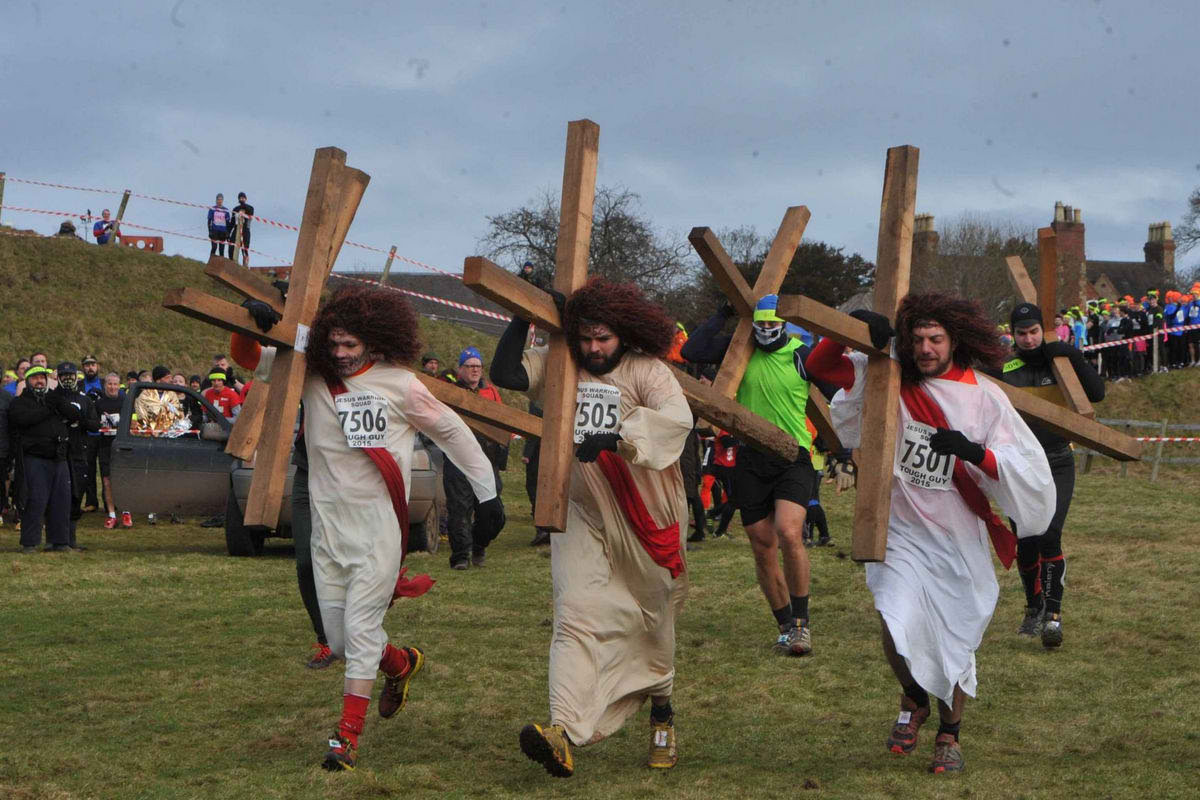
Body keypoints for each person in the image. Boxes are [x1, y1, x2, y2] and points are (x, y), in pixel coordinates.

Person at [245, 285, 504, 771]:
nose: (341, 355)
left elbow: (452, 431)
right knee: (341, 643)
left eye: (352, 345)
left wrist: (488, 494)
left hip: (379, 531)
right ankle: (401, 664)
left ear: (375, 341)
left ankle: (345, 739)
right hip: (328, 529)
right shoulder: (311, 376)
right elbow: (254, 360)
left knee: (362, 631)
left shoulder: (401, 384)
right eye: (335, 344)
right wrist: (251, 323)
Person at [806, 292, 1055, 775]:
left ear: (953, 340)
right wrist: (852, 324)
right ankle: (916, 695)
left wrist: (971, 451)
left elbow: (1023, 466)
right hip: (899, 525)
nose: (924, 348)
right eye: (916, 338)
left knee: (954, 636)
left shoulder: (983, 395)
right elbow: (821, 365)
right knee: (893, 616)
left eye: (935, 339)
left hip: (956, 533)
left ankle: (949, 734)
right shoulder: (887, 372)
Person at [490, 277, 691, 777]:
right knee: (574, 614)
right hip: (580, 509)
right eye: (585, 338)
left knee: (653, 619)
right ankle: (563, 729)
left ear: (623, 333)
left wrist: (617, 437)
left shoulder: (648, 371)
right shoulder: (561, 365)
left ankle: (661, 708)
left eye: (603, 338)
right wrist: (525, 314)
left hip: (648, 514)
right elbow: (507, 374)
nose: (594, 348)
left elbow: (676, 419)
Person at [681, 295, 831, 656]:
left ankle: (801, 623)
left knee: (789, 532)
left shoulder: (800, 354)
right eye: (760, 325)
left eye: (772, 326)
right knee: (762, 543)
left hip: (793, 456)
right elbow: (692, 351)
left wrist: (835, 445)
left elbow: (834, 392)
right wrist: (725, 310)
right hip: (751, 458)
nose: (765, 332)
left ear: (783, 325)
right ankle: (783, 626)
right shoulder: (740, 352)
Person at [997, 303, 1105, 648]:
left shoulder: (1059, 364)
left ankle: (1053, 617)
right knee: (1026, 540)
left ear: (1043, 331)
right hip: (1018, 464)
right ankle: (1033, 606)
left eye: (1033, 332)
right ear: (1012, 335)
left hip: (1057, 460)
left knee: (1050, 535)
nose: (1028, 340)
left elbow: (1097, 393)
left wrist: (1072, 355)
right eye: (1021, 333)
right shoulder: (1004, 368)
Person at [441, 346, 508, 569]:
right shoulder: (449, 391)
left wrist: (502, 452)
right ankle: (460, 555)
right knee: (459, 508)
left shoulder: (492, 392)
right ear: (460, 369)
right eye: (470, 366)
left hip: (487, 458)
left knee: (492, 511)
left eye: (478, 366)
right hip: (457, 456)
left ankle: (479, 544)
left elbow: (502, 423)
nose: (475, 370)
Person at [10, 366, 81, 552]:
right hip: (35, 458)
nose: (40, 381)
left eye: (42, 378)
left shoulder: (54, 398)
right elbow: (23, 420)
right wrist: (50, 409)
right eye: (35, 378)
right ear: (27, 381)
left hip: (59, 457)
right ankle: (30, 542)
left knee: (61, 501)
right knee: (35, 500)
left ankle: (59, 541)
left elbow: (74, 415)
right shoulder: (20, 402)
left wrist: (57, 401)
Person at [53, 362, 100, 550]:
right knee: (58, 496)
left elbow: (95, 425)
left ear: (76, 376)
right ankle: (57, 540)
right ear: (58, 377)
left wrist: (78, 420)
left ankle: (71, 540)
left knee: (76, 495)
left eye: (70, 375)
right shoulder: (52, 398)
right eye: (63, 375)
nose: (67, 378)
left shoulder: (84, 400)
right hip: (58, 453)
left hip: (79, 453)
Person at [94, 373, 131, 529]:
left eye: (115, 384)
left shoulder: (126, 402)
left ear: (119, 385)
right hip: (105, 446)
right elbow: (94, 423)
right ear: (105, 385)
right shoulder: (99, 404)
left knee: (123, 480)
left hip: (122, 446)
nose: (113, 387)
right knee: (107, 481)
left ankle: (126, 513)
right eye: (110, 384)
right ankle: (111, 514)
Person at [230, 192, 254, 266]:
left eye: (243, 198)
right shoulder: (235, 209)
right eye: (240, 198)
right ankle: (232, 263)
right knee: (232, 247)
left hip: (245, 230)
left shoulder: (250, 208)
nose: (241, 199)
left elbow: (250, 212)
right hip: (236, 229)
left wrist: (243, 204)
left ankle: (245, 265)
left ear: (245, 199)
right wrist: (228, 232)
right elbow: (232, 222)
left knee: (245, 249)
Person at [207, 194, 232, 258]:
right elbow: (209, 221)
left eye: (221, 199)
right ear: (216, 200)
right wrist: (209, 231)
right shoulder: (212, 209)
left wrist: (228, 233)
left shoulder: (226, 210)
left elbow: (228, 223)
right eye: (218, 199)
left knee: (221, 250)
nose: (219, 201)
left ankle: (221, 266)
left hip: (223, 232)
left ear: (222, 200)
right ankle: (211, 263)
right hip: (214, 231)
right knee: (214, 247)